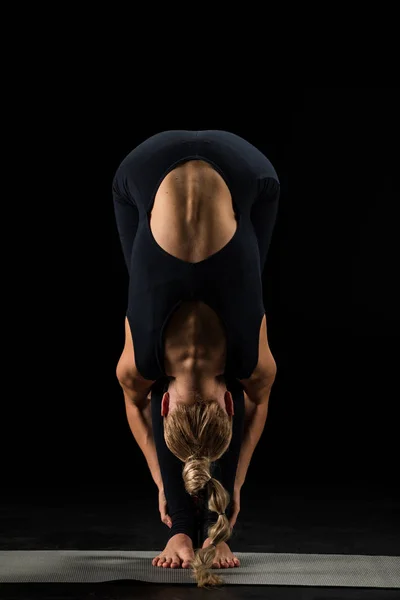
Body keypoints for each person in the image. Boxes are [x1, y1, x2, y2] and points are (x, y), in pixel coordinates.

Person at [113, 130, 279, 588]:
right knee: (149, 271)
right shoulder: (139, 363)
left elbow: (259, 403)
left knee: (245, 261)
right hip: (143, 165)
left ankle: (188, 532)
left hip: (248, 168)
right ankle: (196, 530)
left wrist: (237, 485)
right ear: (163, 405)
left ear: (229, 405)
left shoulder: (249, 359)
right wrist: (161, 485)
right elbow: (134, 404)